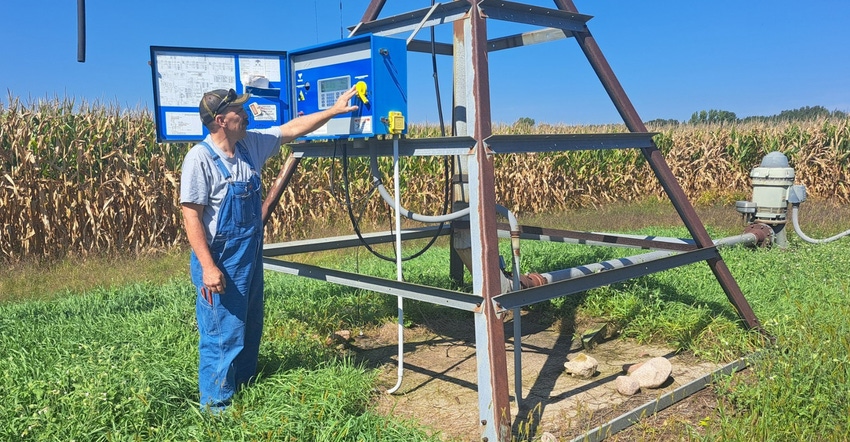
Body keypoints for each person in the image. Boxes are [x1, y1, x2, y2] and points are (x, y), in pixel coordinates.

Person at [180, 86, 358, 411]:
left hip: (249, 260)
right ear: (221, 120)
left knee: (249, 328)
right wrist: (208, 267)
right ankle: (215, 410)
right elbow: (191, 217)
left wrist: (335, 110)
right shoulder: (200, 159)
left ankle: (245, 389)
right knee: (221, 337)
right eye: (240, 111)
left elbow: (289, 130)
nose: (246, 115)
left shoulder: (248, 146)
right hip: (220, 262)